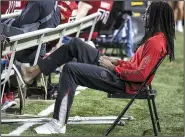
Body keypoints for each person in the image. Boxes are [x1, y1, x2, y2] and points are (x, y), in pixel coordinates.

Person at [15, 1, 175, 134]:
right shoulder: (156, 38)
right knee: (75, 44)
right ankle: (32, 72)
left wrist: (113, 69)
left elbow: (140, 75)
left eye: (148, 13)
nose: (144, 16)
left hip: (123, 82)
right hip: (121, 75)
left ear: (156, 17)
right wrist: (116, 62)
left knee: (71, 69)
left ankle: (58, 123)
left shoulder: (155, 42)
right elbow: (136, 67)